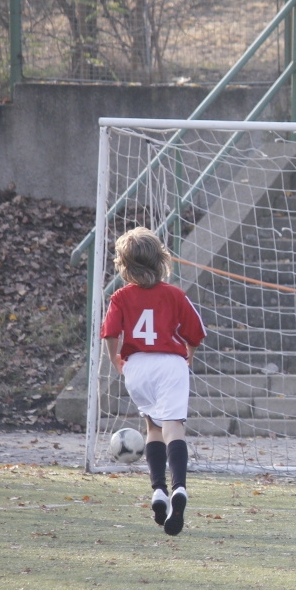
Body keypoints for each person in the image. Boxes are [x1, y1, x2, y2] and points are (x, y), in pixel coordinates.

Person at [101, 227, 206, 536]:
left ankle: (159, 490)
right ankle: (179, 488)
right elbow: (196, 332)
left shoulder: (120, 296)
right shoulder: (175, 295)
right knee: (174, 427)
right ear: (161, 260)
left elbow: (109, 333)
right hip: (170, 364)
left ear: (124, 265)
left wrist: (115, 359)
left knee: (153, 427)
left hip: (136, 367)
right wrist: (189, 355)